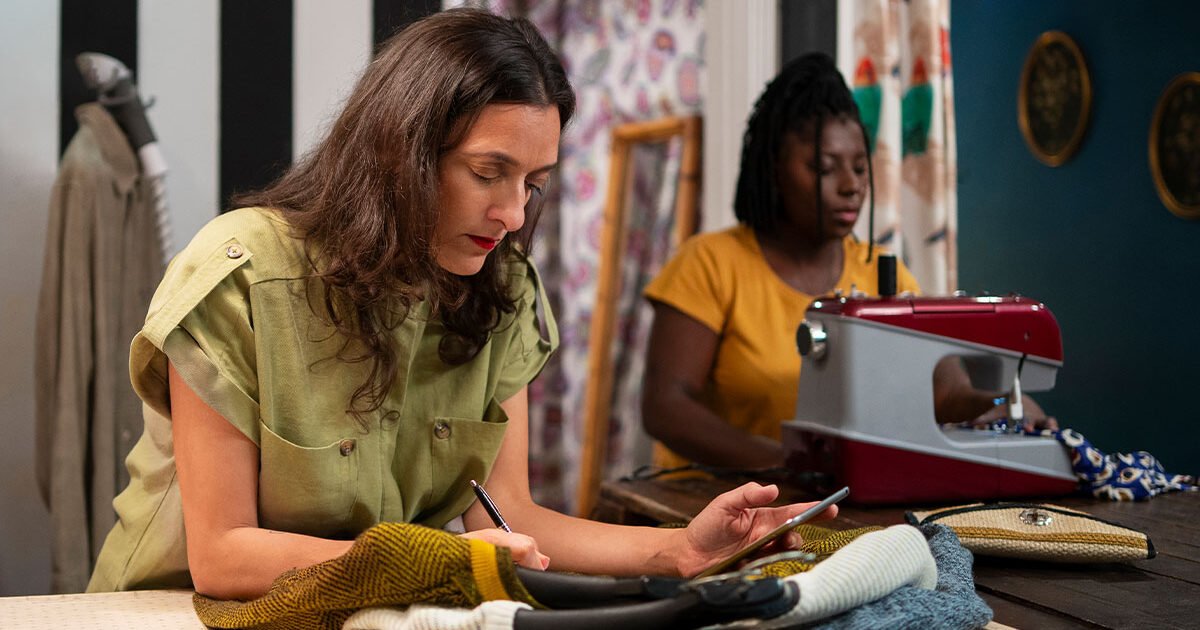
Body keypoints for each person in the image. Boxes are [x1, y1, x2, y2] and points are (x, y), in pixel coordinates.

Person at [86, 9, 837, 600]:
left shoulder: (501, 292)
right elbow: (223, 556)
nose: (513, 214)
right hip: (168, 609)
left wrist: (681, 550)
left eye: (534, 184)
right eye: (487, 173)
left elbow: (512, 515)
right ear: (400, 150)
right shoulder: (243, 275)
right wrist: (438, 560)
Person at [642, 52, 1054, 470]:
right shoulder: (710, 264)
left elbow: (946, 393)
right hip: (715, 498)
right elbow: (666, 407)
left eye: (859, 168)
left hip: (833, 497)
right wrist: (789, 464)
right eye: (825, 168)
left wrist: (1004, 406)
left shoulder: (886, 276)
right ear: (773, 169)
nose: (851, 185)